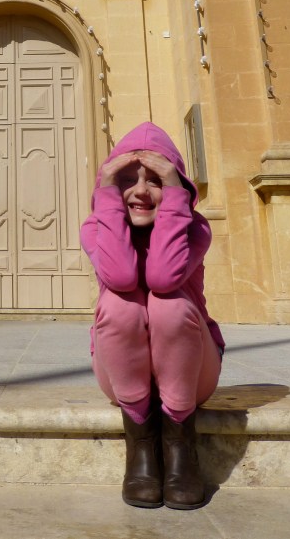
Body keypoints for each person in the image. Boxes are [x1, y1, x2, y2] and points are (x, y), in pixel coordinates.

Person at [80, 121, 224, 511]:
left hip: (192, 375)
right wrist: (106, 196)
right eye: (126, 179)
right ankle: (141, 447)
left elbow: (163, 276)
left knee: (169, 302)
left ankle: (180, 448)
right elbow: (121, 276)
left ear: (177, 188)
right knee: (119, 303)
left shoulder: (195, 229)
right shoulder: (96, 228)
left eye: (156, 180)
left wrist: (175, 197)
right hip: (124, 379)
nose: (140, 190)